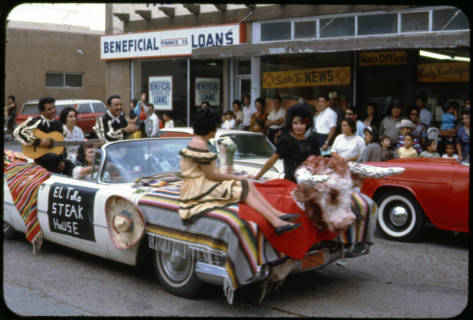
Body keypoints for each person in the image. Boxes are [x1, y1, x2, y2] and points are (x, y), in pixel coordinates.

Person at [179, 107, 300, 235]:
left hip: (201, 183)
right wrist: (236, 178)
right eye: (215, 126)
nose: (217, 129)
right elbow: (212, 175)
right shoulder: (200, 144)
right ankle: (276, 221)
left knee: (246, 183)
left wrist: (235, 176)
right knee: (242, 186)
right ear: (209, 128)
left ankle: (276, 215)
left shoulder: (199, 142)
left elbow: (210, 172)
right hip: (200, 187)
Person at [255, 103, 321, 182]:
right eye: (295, 123)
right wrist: (257, 177)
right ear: (290, 124)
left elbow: (319, 163)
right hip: (289, 184)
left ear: (307, 124)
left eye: (302, 123)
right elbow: (272, 160)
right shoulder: (286, 140)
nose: (299, 127)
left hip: (309, 184)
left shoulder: (313, 141)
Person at [13, 97, 74, 175]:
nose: (53, 110)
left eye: (54, 108)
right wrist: (38, 142)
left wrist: (62, 159)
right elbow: (18, 132)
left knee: (68, 163)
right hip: (37, 156)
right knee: (52, 157)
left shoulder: (58, 124)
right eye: (49, 109)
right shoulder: (35, 121)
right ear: (42, 112)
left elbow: (62, 144)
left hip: (55, 156)